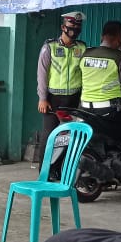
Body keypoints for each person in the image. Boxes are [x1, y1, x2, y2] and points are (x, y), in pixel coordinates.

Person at [35, 11, 86, 162]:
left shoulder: (82, 48)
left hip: (74, 99)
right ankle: (45, 172)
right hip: (53, 99)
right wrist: (42, 98)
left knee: (70, 135)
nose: (74, 30)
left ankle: (61, 169)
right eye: (71, 26)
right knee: (50, 134)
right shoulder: (49, 47)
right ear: (63, 27)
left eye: (78, 27)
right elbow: (42, 74)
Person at [78, 20, 121, 115]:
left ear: (102, 36)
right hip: (109, 110)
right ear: (119, 38)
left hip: (84, 108)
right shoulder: (120, 56)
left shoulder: (85, 54)